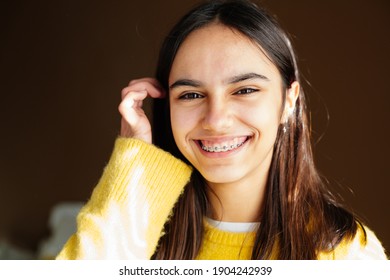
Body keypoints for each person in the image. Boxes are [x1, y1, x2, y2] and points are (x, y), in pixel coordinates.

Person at [57, 0, 387, 260]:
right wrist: (133, 168)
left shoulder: (346, 255)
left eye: (244, 90)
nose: (215, 119)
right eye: (190, 95)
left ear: (289, 101)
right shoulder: (135, 238)